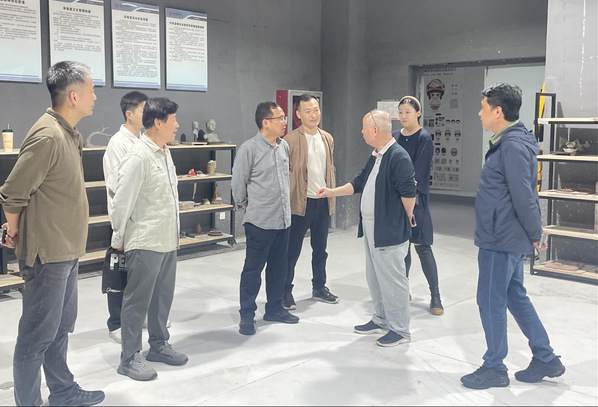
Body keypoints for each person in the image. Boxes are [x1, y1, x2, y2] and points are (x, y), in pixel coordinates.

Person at [0, 61, 104, 406]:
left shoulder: (69, 133)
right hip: (47, 254)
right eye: (91, 90)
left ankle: (62, 391)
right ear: (73, 96)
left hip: (66, 250)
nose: (95, 96)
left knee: (59, 328)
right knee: (35, 337)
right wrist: (14, 228)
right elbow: (13, 192)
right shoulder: (48, 135)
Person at [460, 83, 565, 389]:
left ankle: (494, 367)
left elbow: (524, 195)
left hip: (501, 238)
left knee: (490, 300)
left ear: (498, 111)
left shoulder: (512, 146)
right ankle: (545, 357)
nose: (479, 113)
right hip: (504, 233)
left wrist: (535, 232)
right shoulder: (509, 142)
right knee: (513, 296)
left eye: (483, 108)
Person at [318, 110, 416, 347]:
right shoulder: (376, 155)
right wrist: (332, 192)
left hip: (389, 228)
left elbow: (409, 194)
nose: (361, 132)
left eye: (364, 128)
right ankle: (381, 319)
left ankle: (400, 330)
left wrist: (402, 218)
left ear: (374, 130)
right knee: (375, 277)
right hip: (373, 227)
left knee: (393, 280)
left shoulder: (398, 157)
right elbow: (359, 182)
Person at [111, 97, 188, 381]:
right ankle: (129, 357)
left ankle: (158, 345)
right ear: (157, 122)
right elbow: (121, 202)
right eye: (173, 120)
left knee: (161, 298)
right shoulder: (137, 156)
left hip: (167, 239)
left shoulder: (164, 152)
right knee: (137, 301)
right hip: (144, 240)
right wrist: (119, 237)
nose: (177, 125)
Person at [232, 101, 299, 336]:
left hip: (283, 220)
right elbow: (238, 183)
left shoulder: (283, 146)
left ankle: (274, 309)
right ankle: (247, 315)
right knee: (253, 270)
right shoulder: (249, 149)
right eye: (280, 118)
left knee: (279, 269)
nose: (285, 122)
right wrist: (245, 204)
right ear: (266, 122)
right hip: (259, 222)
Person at [283, 93, 338, 310]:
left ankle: (319, 287)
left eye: (316, 110)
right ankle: (285, 290)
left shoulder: (327, 138)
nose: (314, 114)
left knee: (320, 249)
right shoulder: (290, 140)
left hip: (322, 201)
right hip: (300, 202)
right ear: (298, 114)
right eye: (308, 111)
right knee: (292, 250)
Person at [102, 91, 148, 344]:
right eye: (143, 110)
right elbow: (117, 187)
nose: (148, 114)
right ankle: (116, 323)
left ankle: (138, 315)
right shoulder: (117, 144)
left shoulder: (144, 140)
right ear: (129, 114)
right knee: (119, 273)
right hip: (124, 218)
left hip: (143, 219)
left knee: (140, 273)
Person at [392, 96, 443, 315]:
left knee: (422, 246)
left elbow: (418, 172)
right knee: (401, 247)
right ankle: (402, 290)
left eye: (408, 112)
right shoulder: (395, 136)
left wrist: (406, 188)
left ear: (418, 113)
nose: (403, 116)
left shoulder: (424, 138)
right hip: (396, 199)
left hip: (417, 199)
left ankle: (435, 295)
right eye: (400, 112)